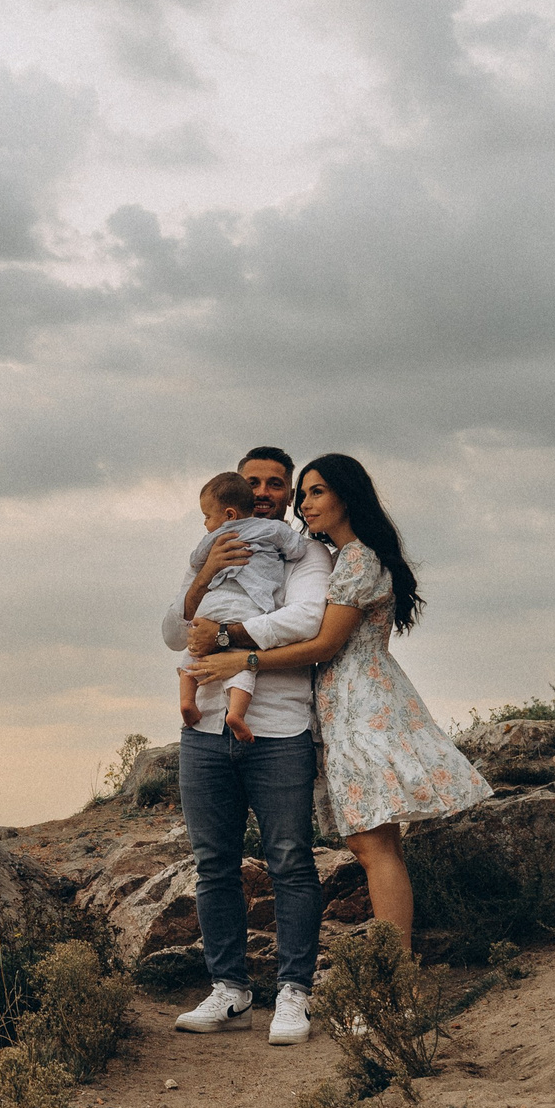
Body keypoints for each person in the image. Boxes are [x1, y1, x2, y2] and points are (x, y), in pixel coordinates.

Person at [187, 453, 490, 1005]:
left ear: (346, 497)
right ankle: (392, 981)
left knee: (374, 848)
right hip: (346, 704)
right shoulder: (344, 556)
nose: (305, 504)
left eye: (316, 492)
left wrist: (241, 659)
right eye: (303, 495)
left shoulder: (355, 561)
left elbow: (325, 644)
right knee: (373, 844)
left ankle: (393, 988)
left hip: (362, 705)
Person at [161, 446, 332, 1045]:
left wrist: (230, 633)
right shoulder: (215, 543)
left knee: (289, 859)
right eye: (253, 481)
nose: (263, 491)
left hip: (280, 726)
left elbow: (308, 619)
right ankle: (230, 991)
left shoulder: (305, 550)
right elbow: (171, 630)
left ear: (288, 494)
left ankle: (293, 992)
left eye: (276, 484)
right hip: (203, 726)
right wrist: (208, 576)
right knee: (214, 865)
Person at [178, 470, 310, 741]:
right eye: (253, 484)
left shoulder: (217, 538)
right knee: (240, 661)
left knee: (193, 648)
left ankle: (188, 701)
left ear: (228, 514)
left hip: (212, 602)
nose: (206, 524)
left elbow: (195, 559)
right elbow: (297, 549)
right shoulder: (274, 529)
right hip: (249, 605)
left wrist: (206, 566)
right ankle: (237, 712)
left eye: (207, 517)